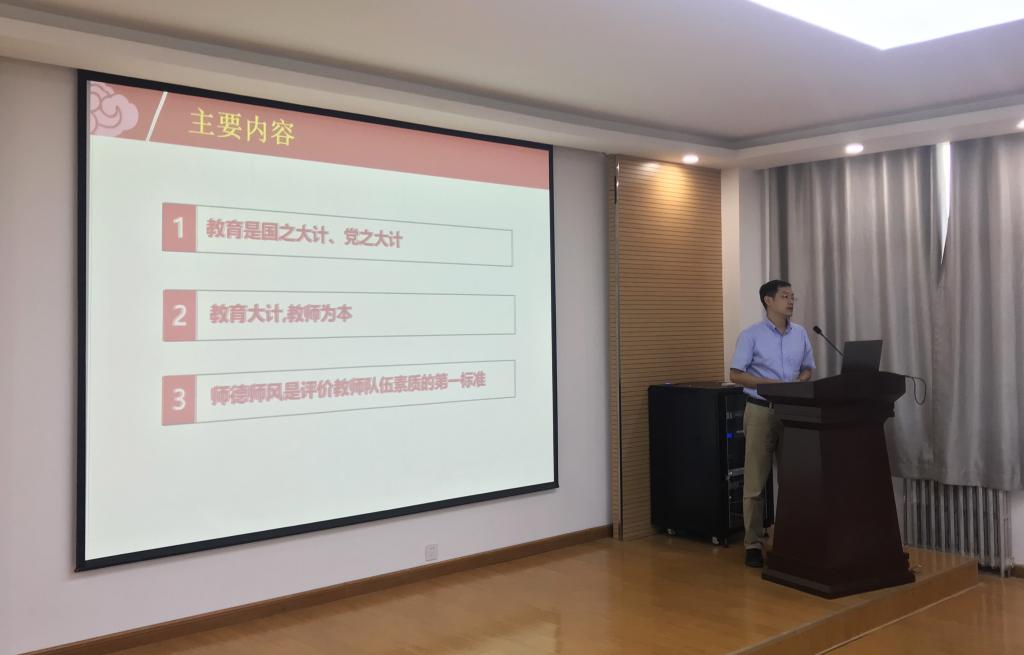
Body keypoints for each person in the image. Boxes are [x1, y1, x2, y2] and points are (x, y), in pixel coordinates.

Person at [729, 280, 815, 568]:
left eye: (793, 296)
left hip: (793, 412)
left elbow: (808, 368)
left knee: (793, 480)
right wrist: (773, 385)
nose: (791, 301)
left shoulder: (800, 333)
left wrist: (798, 381)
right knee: (755, 482)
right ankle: (753, 544)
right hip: (760, 411)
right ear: (768, 300)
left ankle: (792, 539)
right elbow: (736, 374)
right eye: (785, 296)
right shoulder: (751, 335)